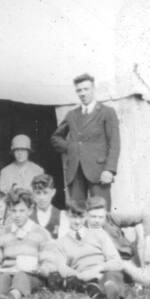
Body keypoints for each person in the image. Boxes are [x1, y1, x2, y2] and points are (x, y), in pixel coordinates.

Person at [51, 73, 120, 209]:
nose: (82, 93)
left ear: (93, 89)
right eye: (79, 90)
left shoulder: (107, 112)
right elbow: (55, 138)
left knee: (101, 212)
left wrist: (109, 170)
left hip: (99, 172)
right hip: (75, 172)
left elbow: (114, 143)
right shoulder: (72, 114)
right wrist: (71, 147)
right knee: (77, 213)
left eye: (86, 89)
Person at [0, 188, 56, 299]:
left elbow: (49, 262)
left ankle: (13, 296)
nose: (17, 215)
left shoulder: (41, 233)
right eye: (14, 211)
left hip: (31, 276)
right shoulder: (3, 233)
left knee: (21, 276)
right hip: (7, 272)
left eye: (21, 211)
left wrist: (40, 270)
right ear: (9, 211)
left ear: (30, 210)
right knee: (3, 278)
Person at [52, 200, 126, 299]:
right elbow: (62, 268)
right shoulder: (61, 243)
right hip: (82, 277)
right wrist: (80, 275)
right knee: (77, 284)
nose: (77, 221)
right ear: (67, 216)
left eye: (81, 217)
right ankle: (100, 297)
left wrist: (99, 268)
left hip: (102, 273)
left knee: (111, 278)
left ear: (86, 216)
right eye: (73, 217)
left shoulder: (99, 235)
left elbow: (117, 262)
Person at [84, 196, 150, 286]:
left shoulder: (110, 218)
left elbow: (146, 215)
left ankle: (145, 276)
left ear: (105, 213)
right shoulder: (82, 232)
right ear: (86, 215)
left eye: (101, 217)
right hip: (114, 265)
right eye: (93, 217)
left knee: (141, 229)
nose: (97, 221)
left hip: (132, 257)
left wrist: (149, 242)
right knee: (122, 265)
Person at [30, 174, 69, 239]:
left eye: (45, 193)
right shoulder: (28, 216)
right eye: (38, 193)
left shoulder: (62, 216)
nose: (42, 197)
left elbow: (63, 243)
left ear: (53, 192)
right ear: (33, 194)